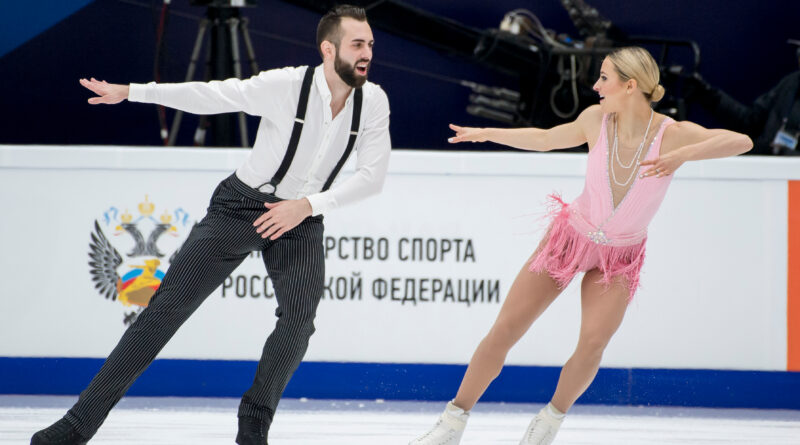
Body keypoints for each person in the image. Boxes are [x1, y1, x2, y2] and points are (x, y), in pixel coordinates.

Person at [31, 5, 390, 445]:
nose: (367, 52)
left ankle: (253, 423)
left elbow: (372, 178)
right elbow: (214, 95)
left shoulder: (372, 102)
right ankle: (76, 425)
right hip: (240, 207)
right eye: (358, 44)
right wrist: (133, 92)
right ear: (329, 48)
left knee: (299, 320)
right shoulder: (286, 85)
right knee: (161, 314)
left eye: (370, 43)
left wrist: (308, 206)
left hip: (301, 217)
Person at [409, 46, 752, 445]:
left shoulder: (671, 134)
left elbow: (741, 140)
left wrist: (684, 155)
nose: (595, 85)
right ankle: (453, 422)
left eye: (603, 77)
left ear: (630, 85)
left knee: (593, 343)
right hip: (571, 239)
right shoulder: (596, 119)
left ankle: (548, 423)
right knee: (506, 329)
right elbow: (546, 138)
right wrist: (488, 134)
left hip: (620, 256)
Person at [683, 39, 800, 155]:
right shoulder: (791, 83)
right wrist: (709, 95)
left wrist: (787, 154)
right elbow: (749, 122)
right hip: (767, 168)